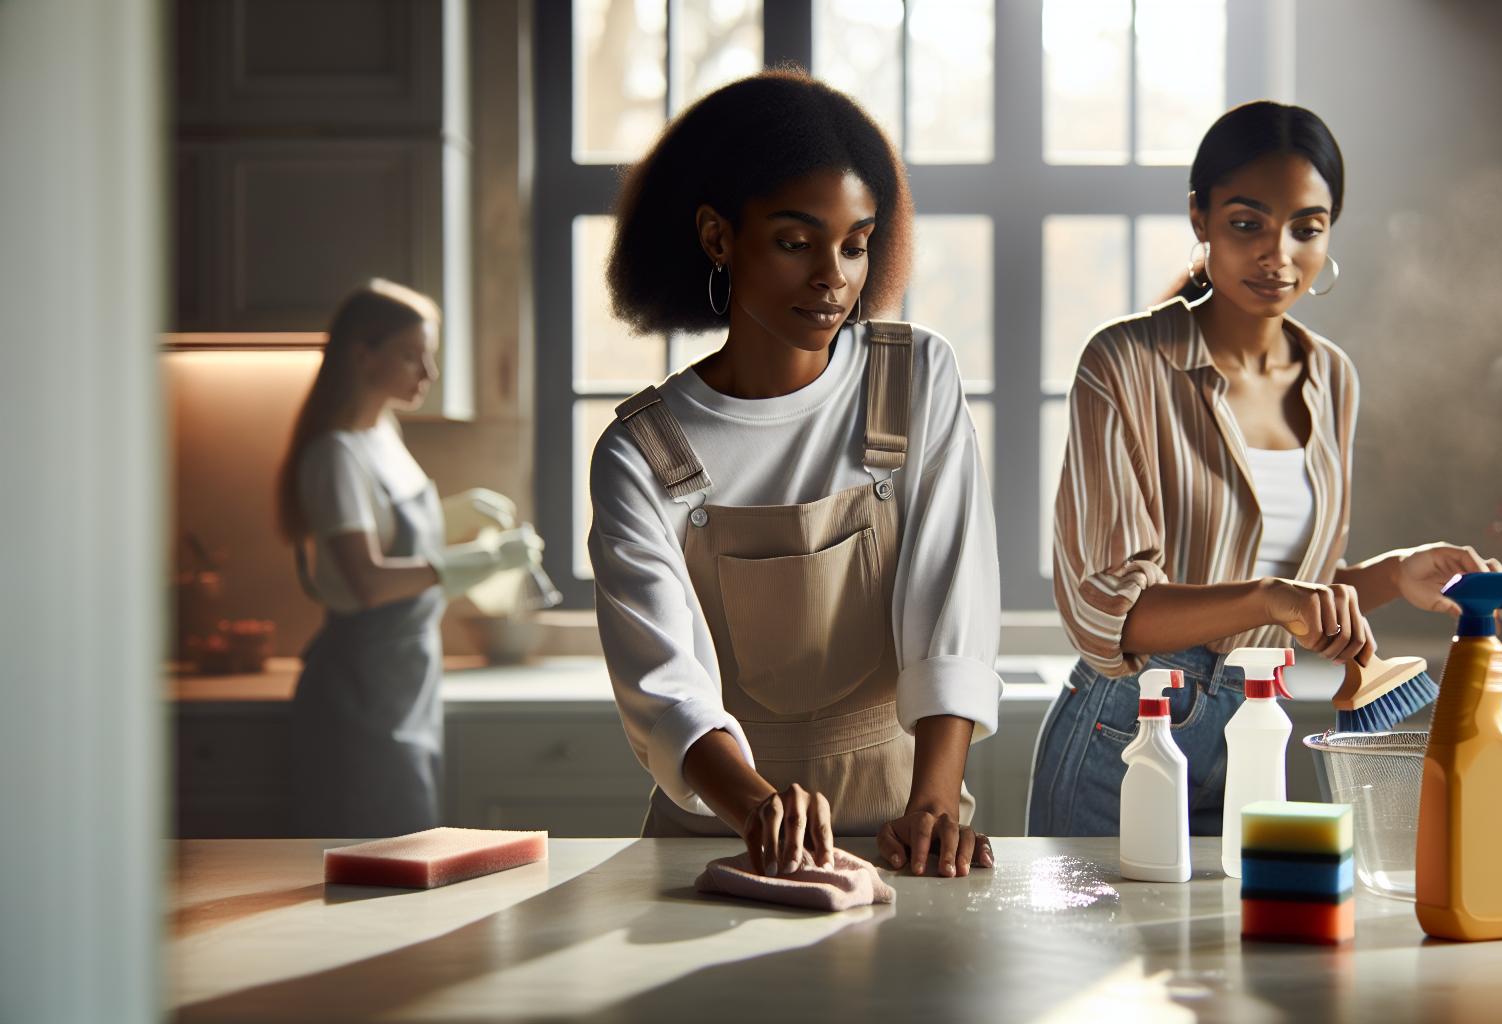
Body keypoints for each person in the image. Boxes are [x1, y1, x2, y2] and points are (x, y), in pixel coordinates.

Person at [1029, 102, 1502, 836]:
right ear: (1201, 217)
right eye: (1248, 223)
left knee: (1241, 950)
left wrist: (1395, 576)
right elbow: (1109, 612)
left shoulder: (1333, 379)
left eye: (1306, 229)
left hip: (1255, 729)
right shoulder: (1123, 364)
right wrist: (1272, 598)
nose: (1278, 255)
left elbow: (1297, 593)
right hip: (1124, 735)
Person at [588, 70, 1000, 878]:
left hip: (906, 837)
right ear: (717, 237)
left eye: (855, 243)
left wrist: (936, 803)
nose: (834, 276)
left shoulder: (913, 378)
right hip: (712, 848)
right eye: (794, 240)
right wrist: (756, 809)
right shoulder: (642, 450)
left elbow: (953, 607)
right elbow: (665, 688)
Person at [276, 279, 544, 837]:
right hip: (360, 688)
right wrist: (480, 559)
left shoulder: (382, 434)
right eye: (412, 356)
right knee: (372, 850)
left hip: (406, 675)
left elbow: (393, 533)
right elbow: (369, 580)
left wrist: (456, 515)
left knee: (408, 835)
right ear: (362, 354)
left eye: (429, 356)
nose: (429, 374)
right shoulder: (334, 455)